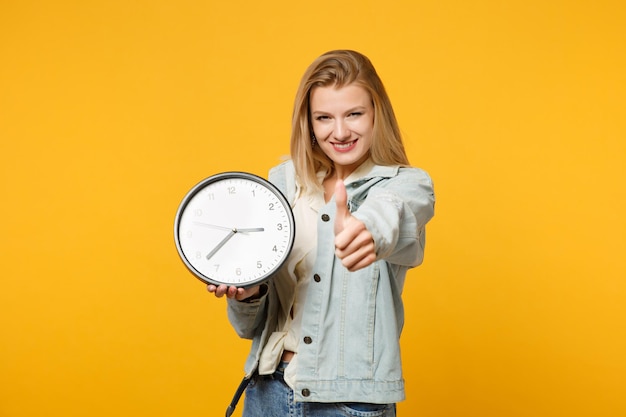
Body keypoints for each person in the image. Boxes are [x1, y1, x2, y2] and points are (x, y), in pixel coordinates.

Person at [208, 49, 435, 417]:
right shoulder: (282, 187)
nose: (340, 131)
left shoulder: (406, 185)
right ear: (308, 123)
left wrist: (367, 229)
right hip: (267, 390)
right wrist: (249, 292)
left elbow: (394, 212)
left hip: (348, 404)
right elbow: (250, 327)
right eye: (324, 117)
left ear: (377, 114)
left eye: (354, 114)